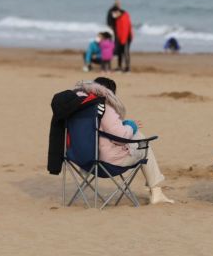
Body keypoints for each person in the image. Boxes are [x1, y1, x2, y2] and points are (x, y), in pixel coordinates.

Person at [74, 77, 174, 205]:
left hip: (83, 160)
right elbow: (121, 138)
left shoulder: (80, 106)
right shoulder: (104, 106)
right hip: (106, 162)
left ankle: (156, 191)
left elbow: (100, 128)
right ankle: (156, 192)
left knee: (139, 138)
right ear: (110, 93)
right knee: (144, 144)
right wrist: (132, 125)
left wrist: (123, 124)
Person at [112, 6, 133, 72]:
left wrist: (123, 41)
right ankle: (119, 67)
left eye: (114, 13)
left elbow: (125, 30)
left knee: (126, 52)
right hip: (120, 38)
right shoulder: (119, 18)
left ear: (118, 12)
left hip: (126, 38)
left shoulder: (124, 17)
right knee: (119, 53)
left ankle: (127, 68)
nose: (114, 15)